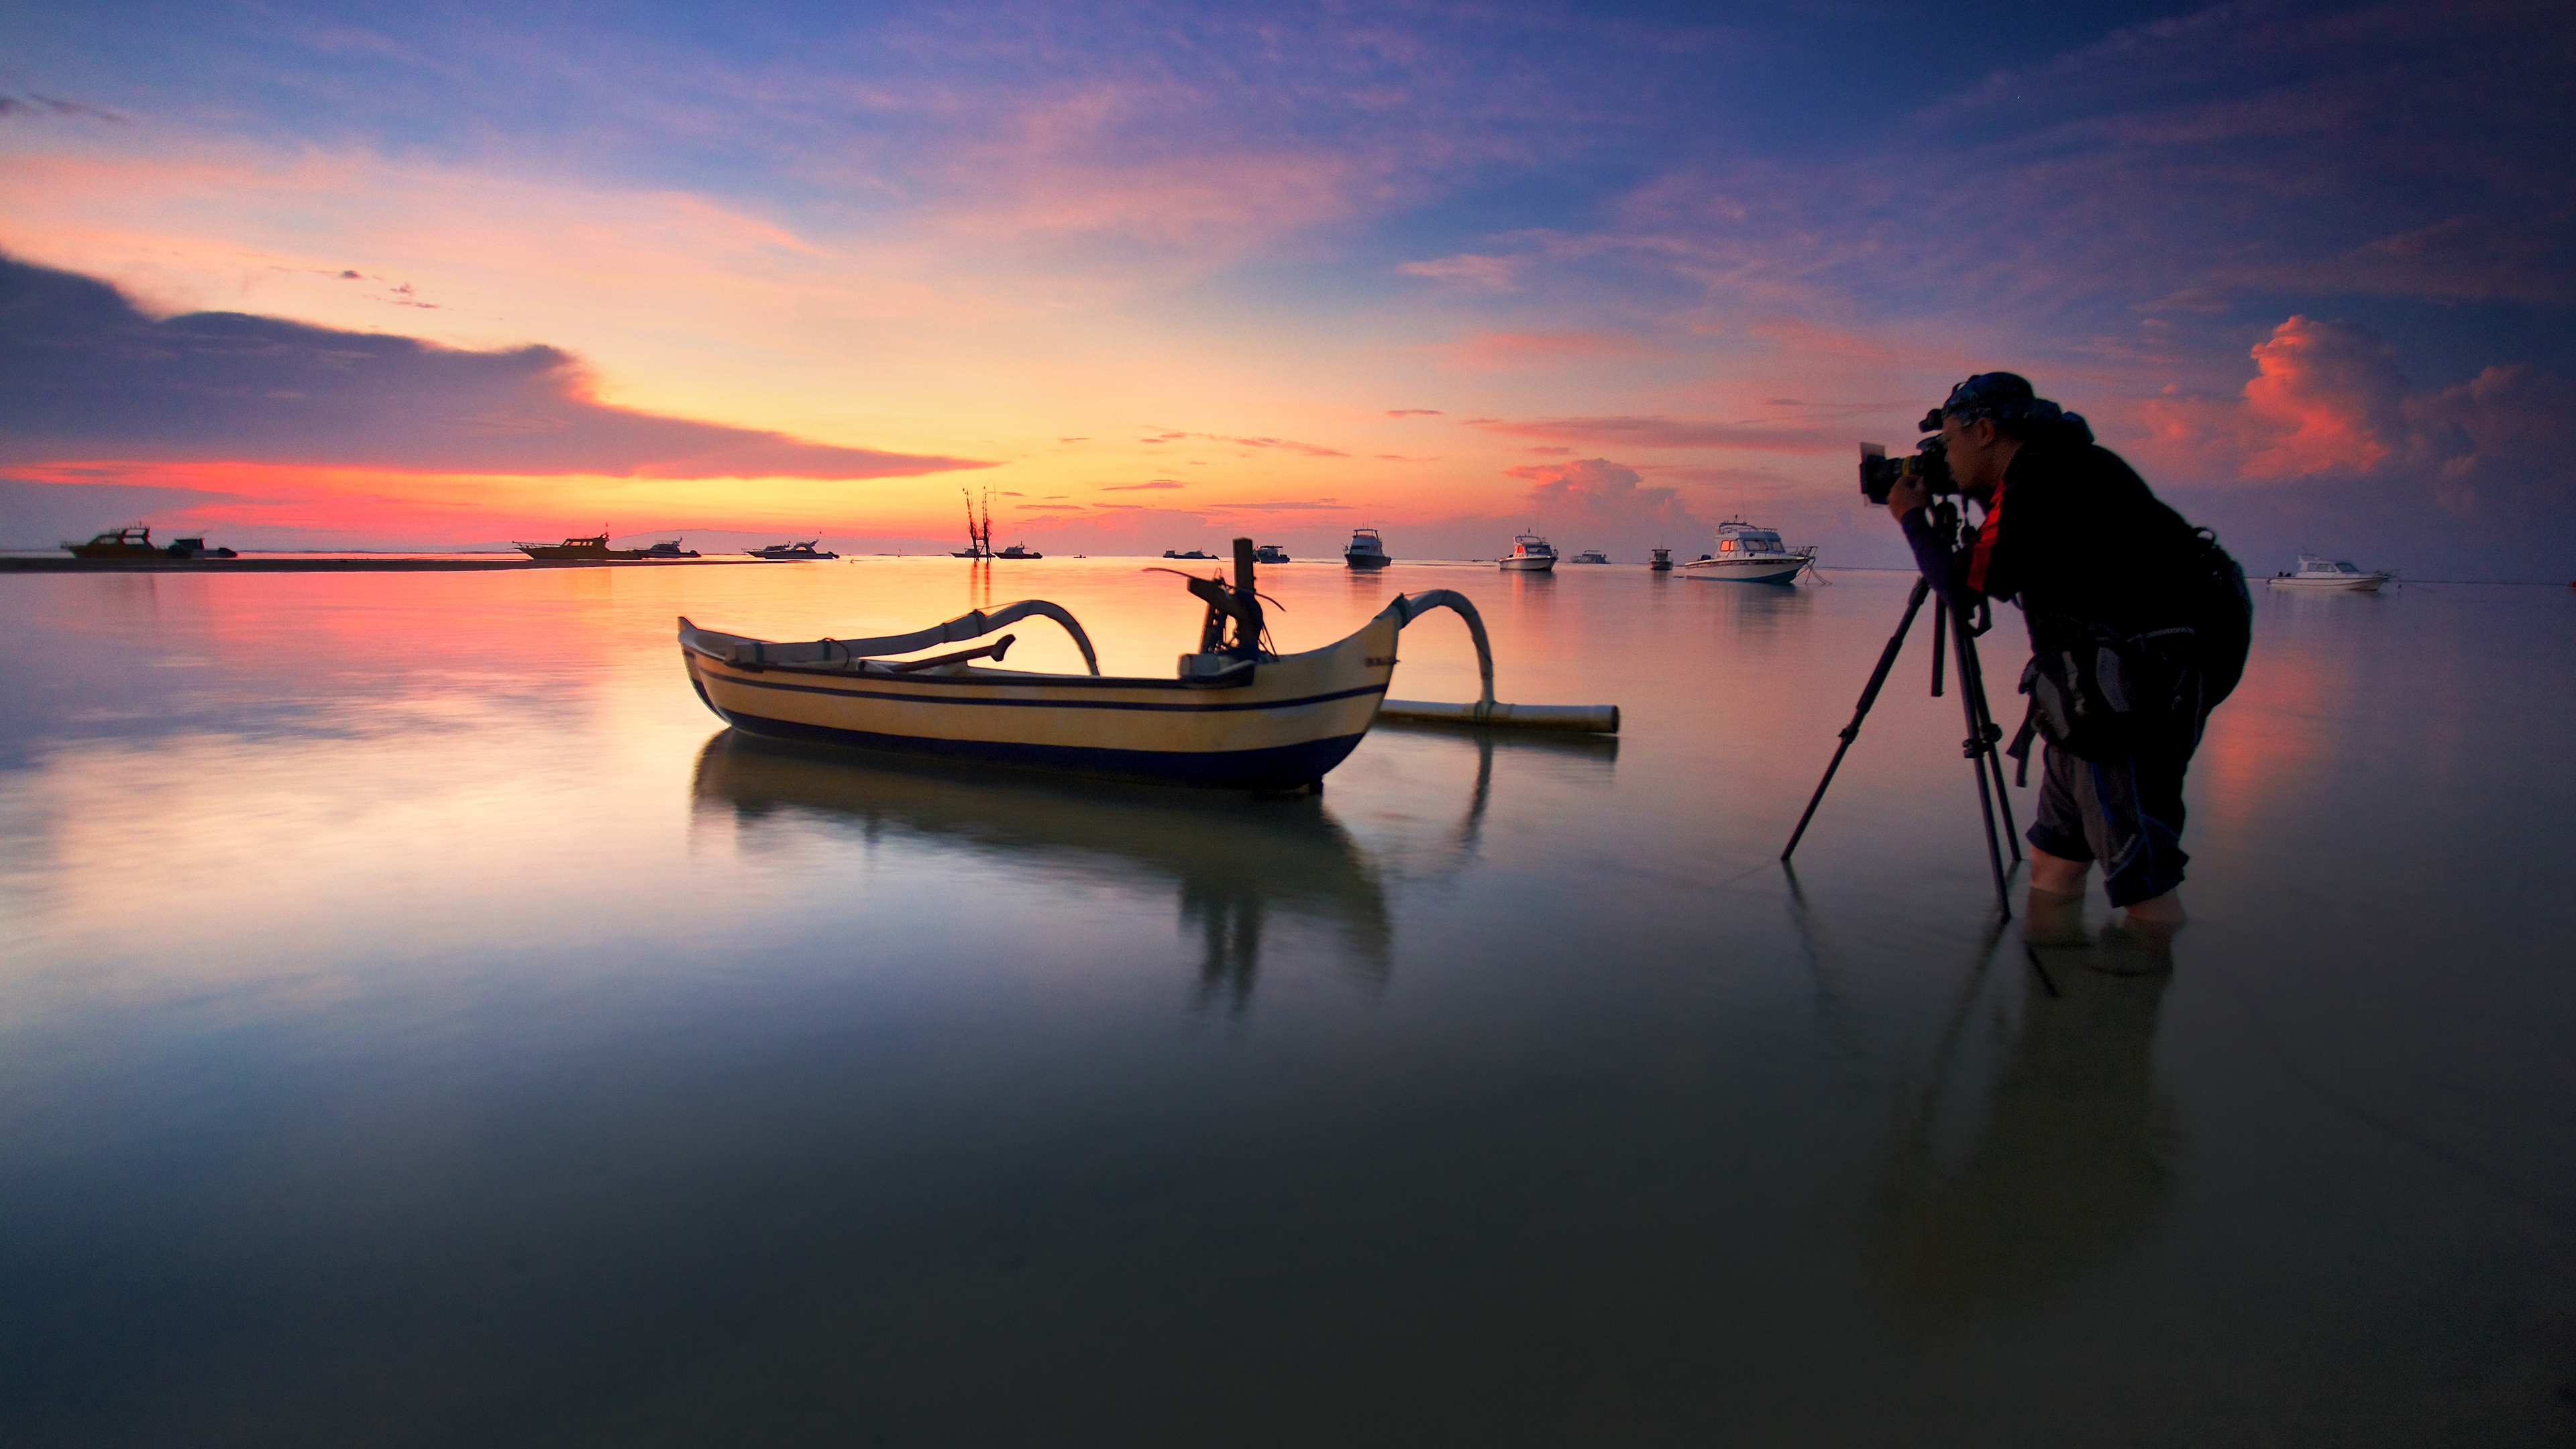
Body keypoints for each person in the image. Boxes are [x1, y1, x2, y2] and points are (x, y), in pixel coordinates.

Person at [1883, 373, 2247, 932]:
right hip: (2085, 693)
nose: (1941, 458)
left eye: (1948, 441)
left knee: (2143, 884)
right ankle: (2058, 997)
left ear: (1985, 432)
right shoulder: (2055, 467)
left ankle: (2137, 992)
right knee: (2055, 863)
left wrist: (1910, 517)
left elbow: (1964, 587)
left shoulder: (2046, 479)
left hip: (2126, 699)